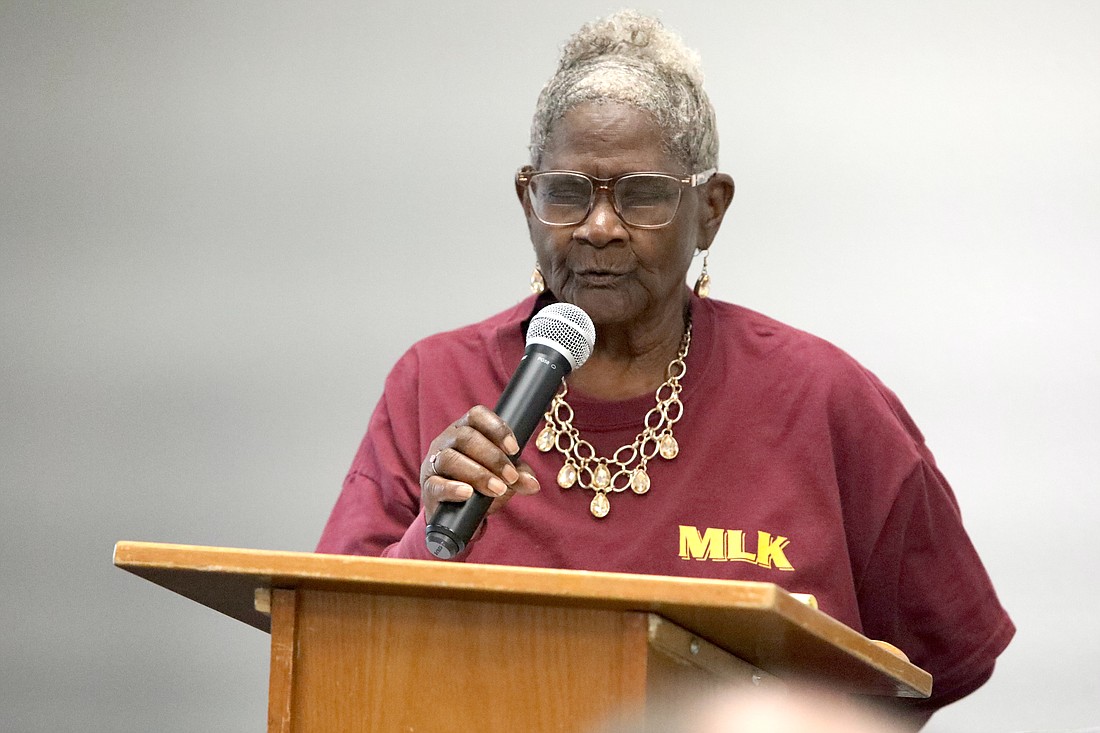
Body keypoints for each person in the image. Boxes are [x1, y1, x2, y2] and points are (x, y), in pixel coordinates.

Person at [317, 9, 1013, 725]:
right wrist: (429, 537)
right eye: (568, 192)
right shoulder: (433, 382)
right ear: (528, 200)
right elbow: (329, 643)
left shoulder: (823, 397)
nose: (598, 226)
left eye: (642, 193)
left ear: (709, 209)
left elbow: (940, 658)